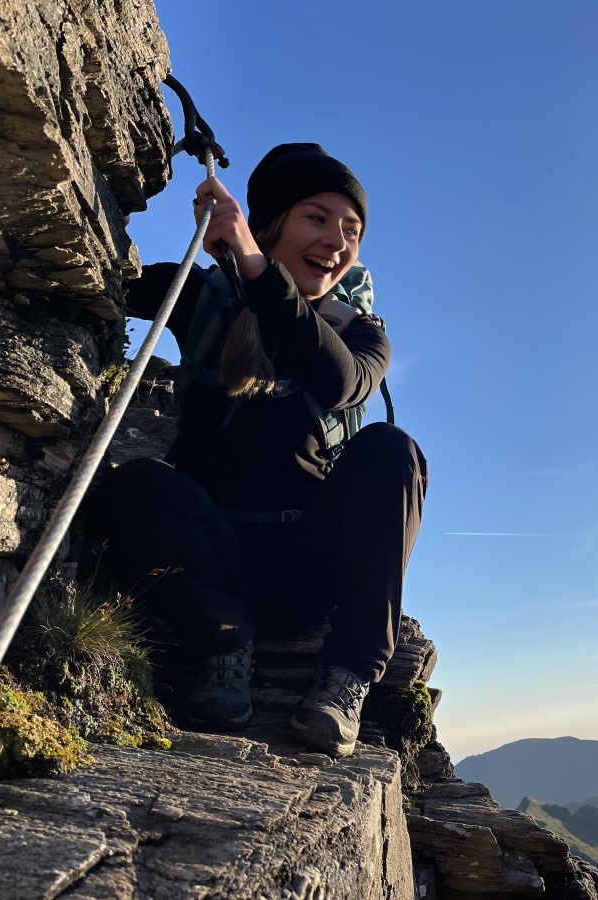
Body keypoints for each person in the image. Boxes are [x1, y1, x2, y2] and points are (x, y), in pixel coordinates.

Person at [98, 143, 427, 757]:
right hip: (212, 559)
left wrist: (253, 264)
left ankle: (347, 677)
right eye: (317, 218)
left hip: (306, 570)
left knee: (392, 451)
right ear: (272, 222)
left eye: (351, 230)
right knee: (132, 482)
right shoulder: (202, 298)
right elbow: (103, 277)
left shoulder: (361, 333)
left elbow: (340, 383)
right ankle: (223, 645)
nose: (336, 241)